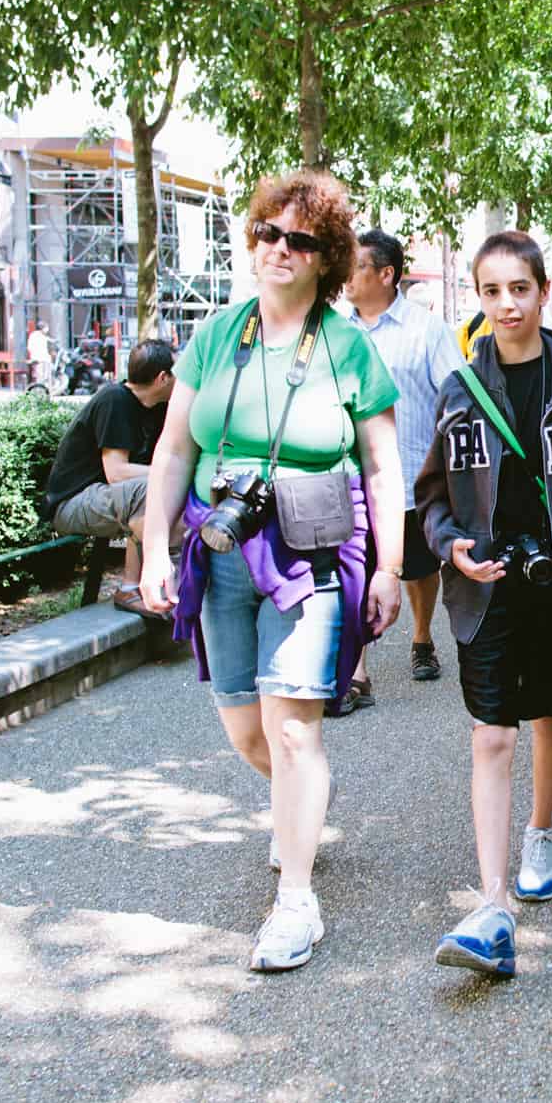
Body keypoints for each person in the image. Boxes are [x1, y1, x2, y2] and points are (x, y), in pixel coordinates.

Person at [139, 169, 405, 974]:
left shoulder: (349, 345)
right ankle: (300, 805)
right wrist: (155, 546)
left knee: (295, 729)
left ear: (326, 258)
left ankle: (297, 900)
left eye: (299, 240)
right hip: (221, 543)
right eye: (268, 233)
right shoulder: (219, 334)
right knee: (246, 727)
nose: (278, 249)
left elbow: (383, 465)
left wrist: (390, 567)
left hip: (312, 546)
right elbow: (175, 448)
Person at [420, 230, 552, 978]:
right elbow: (432, 498)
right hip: (486, 586)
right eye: (491, 290)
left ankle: (542, 829)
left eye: (520, 288)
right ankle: (493, 900)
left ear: (546, 291)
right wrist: (451, 546)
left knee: (548, 713)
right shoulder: (459, 388)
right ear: (476, 298)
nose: (506, 303)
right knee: (490, 735)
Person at [341, 228, 465, 710]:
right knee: (357, 567)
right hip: (351, 479)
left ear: (386, 274)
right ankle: (356, 670)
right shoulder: (336, 327)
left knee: (416, 569)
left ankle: (421, 638)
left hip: (412, 476)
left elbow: (455, 391)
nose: (345, 277)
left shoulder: (426, 328)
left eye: (355, 267)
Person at [42, 338, 176, 609]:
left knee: (160, 489)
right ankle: (132, 588)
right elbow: (117, 472)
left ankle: (165, 583)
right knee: (150, 489)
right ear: (163, 377)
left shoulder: (157, 408)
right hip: (72, 502)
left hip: (110, 499)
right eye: (176, 374)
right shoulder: (115, 400)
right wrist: (170, 473)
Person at [27, 322, 54, 388]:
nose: (47, 329)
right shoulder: (36, 335)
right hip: (39, 358)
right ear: (43, 328)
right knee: (41, 375)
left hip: (42, 358)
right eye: (46, 327)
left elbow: (50, 341)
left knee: (44, 374)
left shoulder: (42, 335)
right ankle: (42, 388)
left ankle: (45, 387)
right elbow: (30, 347)